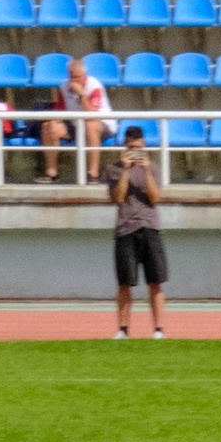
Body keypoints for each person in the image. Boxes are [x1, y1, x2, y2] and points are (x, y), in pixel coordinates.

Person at [110, 126, 167, 342]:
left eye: (137, 147)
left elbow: (154, 197)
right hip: (125, 228)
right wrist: (125, 171)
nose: (134, 150)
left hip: (150, 227)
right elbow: (117, 197)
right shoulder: (114, 169)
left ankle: (158, 328)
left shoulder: (154, 168)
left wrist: (145, 171)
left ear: (144, 146)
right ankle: (123, 329)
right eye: (130, 147)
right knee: (124, 283)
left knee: (156, 282)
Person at [40, 57, 114, 183]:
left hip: (101, 124)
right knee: (48, 126)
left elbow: (92, 114)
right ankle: (52, 173)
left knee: (90, 124)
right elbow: (59, 111)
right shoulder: (64, 86)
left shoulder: (94, 86)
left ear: (84, 75)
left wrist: (81, 94)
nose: (75, 80)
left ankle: (93, 174)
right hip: (75, 124)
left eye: (78, 77)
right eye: (72, 77)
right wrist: (54, 122)